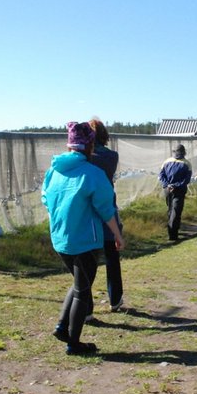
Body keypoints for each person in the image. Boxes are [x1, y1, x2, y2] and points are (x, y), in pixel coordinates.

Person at [42, 121, 125, 356]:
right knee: (82, 289)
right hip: (85, 240)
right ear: (90, 146)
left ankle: (61, 327)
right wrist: (117, 236)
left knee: (79, 283)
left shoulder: (54, 171)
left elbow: (46, 199)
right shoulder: (93, 174)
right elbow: (106, 210)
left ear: (69, 145)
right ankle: (74, 343)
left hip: (60, 238)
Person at [88, 118, 125, 313]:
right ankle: (115, 298)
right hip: (109, 208)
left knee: (88, 262)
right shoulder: (112, 156)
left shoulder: (88, 158)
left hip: (89, 213)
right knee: (112, 258)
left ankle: (85, 305)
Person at [158, 143, 192, 241]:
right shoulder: (184, 163)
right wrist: (169, 185)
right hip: (173, 189)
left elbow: (186, 179)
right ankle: (173, 233)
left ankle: (172, 234)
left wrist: (169, 185)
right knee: (173, 211)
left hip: (173, 190)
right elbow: (162, 175)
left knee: (174, 210)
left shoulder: (186, 163)